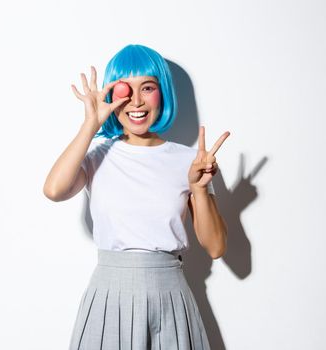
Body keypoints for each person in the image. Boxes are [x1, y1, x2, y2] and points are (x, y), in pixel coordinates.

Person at [43, 44, 230, 350]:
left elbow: (216, 247)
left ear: (162, 93)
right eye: (123, 90)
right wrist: (91, 124)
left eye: (147, 88)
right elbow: (54, 190)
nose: (136, 101)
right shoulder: (98, 156)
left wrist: (198, 187)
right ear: (110, 96)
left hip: (170, 296)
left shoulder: (190, 161)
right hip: (109, 295)